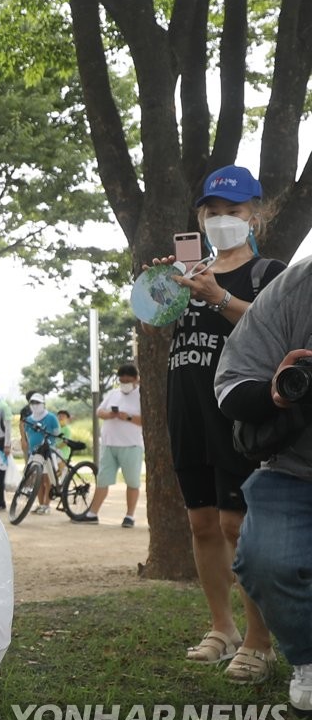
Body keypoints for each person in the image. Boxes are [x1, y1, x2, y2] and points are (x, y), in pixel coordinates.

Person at [146, 165, 284, 682]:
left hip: (240, 412)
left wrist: (218, 297)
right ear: (199, 218)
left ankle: (258, 641)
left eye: (235, 211)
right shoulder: (188, 276)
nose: (223, 220)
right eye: (213, 212)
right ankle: (221, 628)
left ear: (256, 215)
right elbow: (157, 324)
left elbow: (276, 331)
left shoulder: (269, 274)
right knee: (202, 523)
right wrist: (159, 288)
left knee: (238, 525)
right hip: (185, 407)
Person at [214, 255, 312, 712]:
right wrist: (274, 391)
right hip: (294, 468)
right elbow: (232, 383)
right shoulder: (296, 286)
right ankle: (308, 659)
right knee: (262, 559)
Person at [77, 363, 144, 526]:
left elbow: (144, 420)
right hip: (109, 444)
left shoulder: (142, 395)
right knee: (103, 480)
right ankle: (93, 513)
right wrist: (110, 414)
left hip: (131, 445)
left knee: (132, 482)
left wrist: (126, 417)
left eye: (128, 380)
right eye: (122, 381)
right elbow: (99, 411)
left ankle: (130, 516)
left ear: (136, 379)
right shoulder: (113, 393)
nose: (124, 384)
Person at [23, 393, 60, 514]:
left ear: (43, 404)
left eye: (37, 403)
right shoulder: (29, 419)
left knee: (47, 479)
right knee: (36, 480)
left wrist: (50, 443)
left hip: (47, 452)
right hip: (34, 453)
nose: (35, 405)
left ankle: (46, 504)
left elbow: (56, 432)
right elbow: (28, 434)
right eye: (32, 403)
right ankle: (40, 504)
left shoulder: (51, 417)